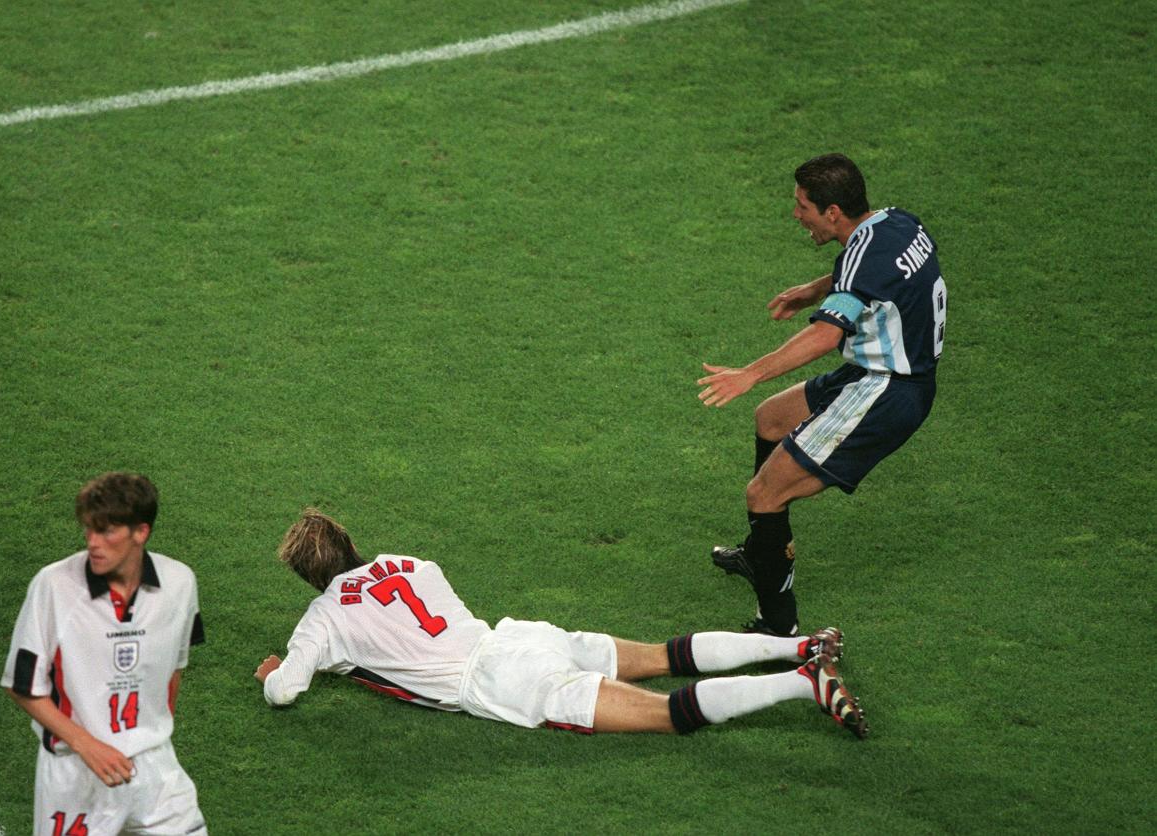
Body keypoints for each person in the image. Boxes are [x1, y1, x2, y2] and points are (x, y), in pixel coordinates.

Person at [253, 508, 867, 738]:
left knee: (662, 713)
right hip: (521, 636)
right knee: (661, 656)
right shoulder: (413, 563)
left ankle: (803, 683)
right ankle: (799, 645)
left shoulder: (321, 618)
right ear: (350, 542)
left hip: (498, 684)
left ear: (311, 578)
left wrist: (280, 670)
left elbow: (285, 692)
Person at [697, 153, 947, 637]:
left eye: (803, 206)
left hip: (886, 389)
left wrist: (749, 372)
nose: (796, 215)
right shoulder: (897, 223)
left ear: (833, 212)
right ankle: (761, 553)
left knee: (764, 494)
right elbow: (875, 276)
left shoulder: (862, 254)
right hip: (880, 372)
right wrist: (814, 291)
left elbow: (824, 337)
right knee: (771, 419)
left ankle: (779, 627)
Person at [1, 472, 207, 835]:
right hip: (74, 774)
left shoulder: (180, 583)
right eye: (89, 530)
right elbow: (22, 685)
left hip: (154, 769)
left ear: (140, 532)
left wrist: (148, 734)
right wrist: (88, 745)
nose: (93, 543)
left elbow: (175, 667)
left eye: (107, 531)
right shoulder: (54, 587)